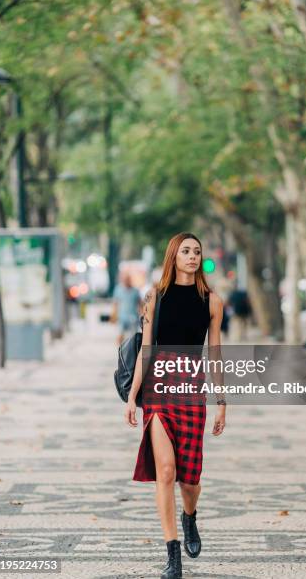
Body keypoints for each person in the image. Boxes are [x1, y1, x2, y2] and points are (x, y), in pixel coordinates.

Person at [124, 232, 226, 579]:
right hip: (158, 390)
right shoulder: (156, 297)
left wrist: (221, 401)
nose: (193, 256)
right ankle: (172, 553)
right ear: (174, 256)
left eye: (197, 251)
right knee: (165, 471)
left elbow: (215, 354)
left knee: (190, 479)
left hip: (192, 388)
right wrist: (132, 395)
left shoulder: (212, 301)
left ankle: (190, 516)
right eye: (186, 251)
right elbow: (146, 350)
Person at [112, 272, 141, 345]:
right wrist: (114, 315)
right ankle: (120, 351)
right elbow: (115, 303)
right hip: (122, 316)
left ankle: (133, 351)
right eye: (125, 279)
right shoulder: (118, 289)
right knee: (120, 334)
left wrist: (142, 314)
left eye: (128, 279)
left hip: (133, 317)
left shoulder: (135, 291)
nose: (126, 281)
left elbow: (140, 304)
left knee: (133, 336)